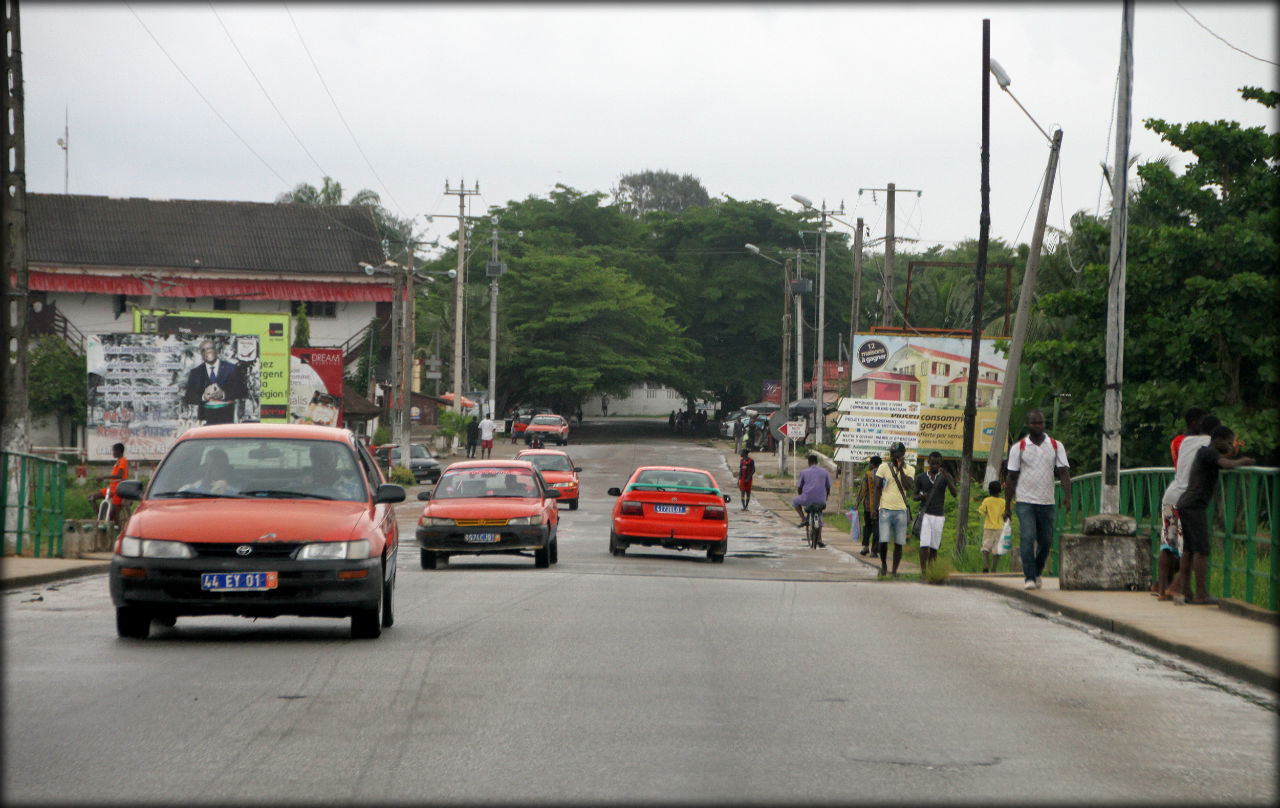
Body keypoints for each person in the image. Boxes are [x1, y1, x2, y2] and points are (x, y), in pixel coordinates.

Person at [1164, 425, 1255, 605]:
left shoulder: (1206, 452)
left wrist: (1232, 452)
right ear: (1219, 440)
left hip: (1187, 504)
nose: (1230, 445)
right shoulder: (1209, 452)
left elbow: (1222, 459)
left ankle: (1184, 590)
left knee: (1189, 549)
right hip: (1194, 506)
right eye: (1228, 442)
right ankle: (1201, 594)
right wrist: (1242, 461)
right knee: (1202, 550)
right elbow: (1226, 464)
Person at [1005, 409, 1072, 591]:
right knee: (1027, 537)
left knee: (1046, 540)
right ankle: (1029, 577)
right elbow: (1011, 478)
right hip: (1025, 501)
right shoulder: (1018, 448)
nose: (1038, 426)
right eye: (1034, 423)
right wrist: (1007, 506)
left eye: (1041, 423)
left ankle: (1037, 571)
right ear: (1028, 425)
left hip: (1047, 501)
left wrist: (1067, 496)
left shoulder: (1055, 445)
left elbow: (1064, 472)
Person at [1156, 410, 1216, 597]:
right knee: (1190, 547)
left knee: (1167, 543)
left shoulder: (1184, 442)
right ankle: (1183, 589)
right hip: (1187, 498)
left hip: (1170, 495)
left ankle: (1162, 589)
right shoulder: (1208, 444)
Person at [914, 451, 957, 579]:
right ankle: (923, 572)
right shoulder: (921, 477)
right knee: (924, 544)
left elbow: (954, 493)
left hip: (939, 515)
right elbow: (914, 496)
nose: (934, 466)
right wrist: (921, 497)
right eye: (932, 463)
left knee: (934, 545)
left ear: (940, 464)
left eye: (937, 463)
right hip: (926, 514)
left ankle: (931, 569)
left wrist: (947, 477)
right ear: (928, 462)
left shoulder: (945, 476)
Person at [182, 339, 244, 425]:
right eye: (203, 350)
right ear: (201, 354)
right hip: (205, 419)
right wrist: (204, 397)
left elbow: (242, 392)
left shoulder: (231, 369)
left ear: (216, 350)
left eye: (210, 348)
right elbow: (189, 397)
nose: (207, 351)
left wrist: (223, 395)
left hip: (227, 418)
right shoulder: (195, 372)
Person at [876, 442, 913, 577]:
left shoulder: (910, 469)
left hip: (901, 510)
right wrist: (875, 507)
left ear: (902, 455)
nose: (893, 456)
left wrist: (901, 469)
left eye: (896, 454)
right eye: (891, 454)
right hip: (885, 509)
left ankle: (894, 570)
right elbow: (878, 487)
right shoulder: (883, 467)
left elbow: (908, 486)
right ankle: (884, 564)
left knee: (899, 543)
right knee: (883, 540)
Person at [792, 453, 831, 547]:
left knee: (795, 501)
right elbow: (828, 487)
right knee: (819, 514)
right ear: (817, 462)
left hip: (807, 499)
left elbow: (799, 487)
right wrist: (826, 497)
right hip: (821, 500)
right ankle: (820, 539)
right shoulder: (825, 472)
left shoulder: (804, 472)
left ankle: (803, 519)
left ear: (808, 462)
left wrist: (801, 495)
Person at [90, 442, 129, 525]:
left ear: (119, 451)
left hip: (118, 489)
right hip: (111, 488)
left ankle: (117, 530)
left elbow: (120, 475)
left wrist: (104, 477)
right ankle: (102, 518)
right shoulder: (118, 462)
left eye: (114, 451)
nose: (113, 453)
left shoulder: (123, 461)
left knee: (115, 513)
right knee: (91, 498)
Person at [978, 480, 1008, 573]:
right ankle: (994, 568)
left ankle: (986, 564)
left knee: (986, 547)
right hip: (999, 528)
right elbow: (1005, 515)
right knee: (996, 549)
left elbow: (981, 511)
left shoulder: (987, 500)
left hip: (988, 527)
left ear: (989, 491)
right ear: (1000, 491)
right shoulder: (1003, 502)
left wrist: (978, 515)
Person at [855, 455, 882, 556]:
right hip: (880, 507)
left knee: (867, 527)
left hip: (868, 506)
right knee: (877, 529)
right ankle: (874, 551)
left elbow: (863, 490)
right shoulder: (884, 475)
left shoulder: (868, 474)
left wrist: (857, 503)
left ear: (872, 464)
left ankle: (866, 547)